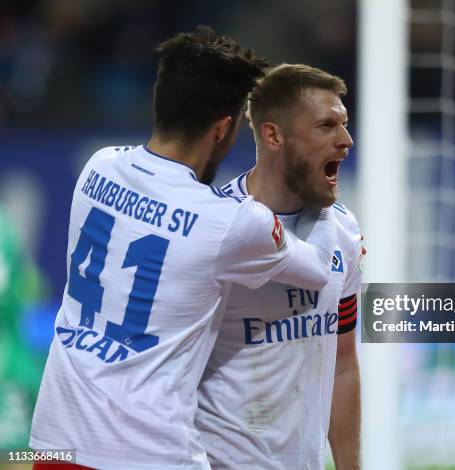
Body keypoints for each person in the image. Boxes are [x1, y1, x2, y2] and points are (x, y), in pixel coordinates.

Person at [29, 28, 338, 470]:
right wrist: (323, 196)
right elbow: (319, 268)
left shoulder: (98, 167)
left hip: (56, 444)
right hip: (150, 455)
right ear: (223, 128)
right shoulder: (231, 221)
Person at [196, 64, 362, 470]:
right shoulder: (213, 230)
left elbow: (342, 365)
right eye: (326, 126)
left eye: (344, 124)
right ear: (273, 135)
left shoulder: (343, 230)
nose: (346, 141)